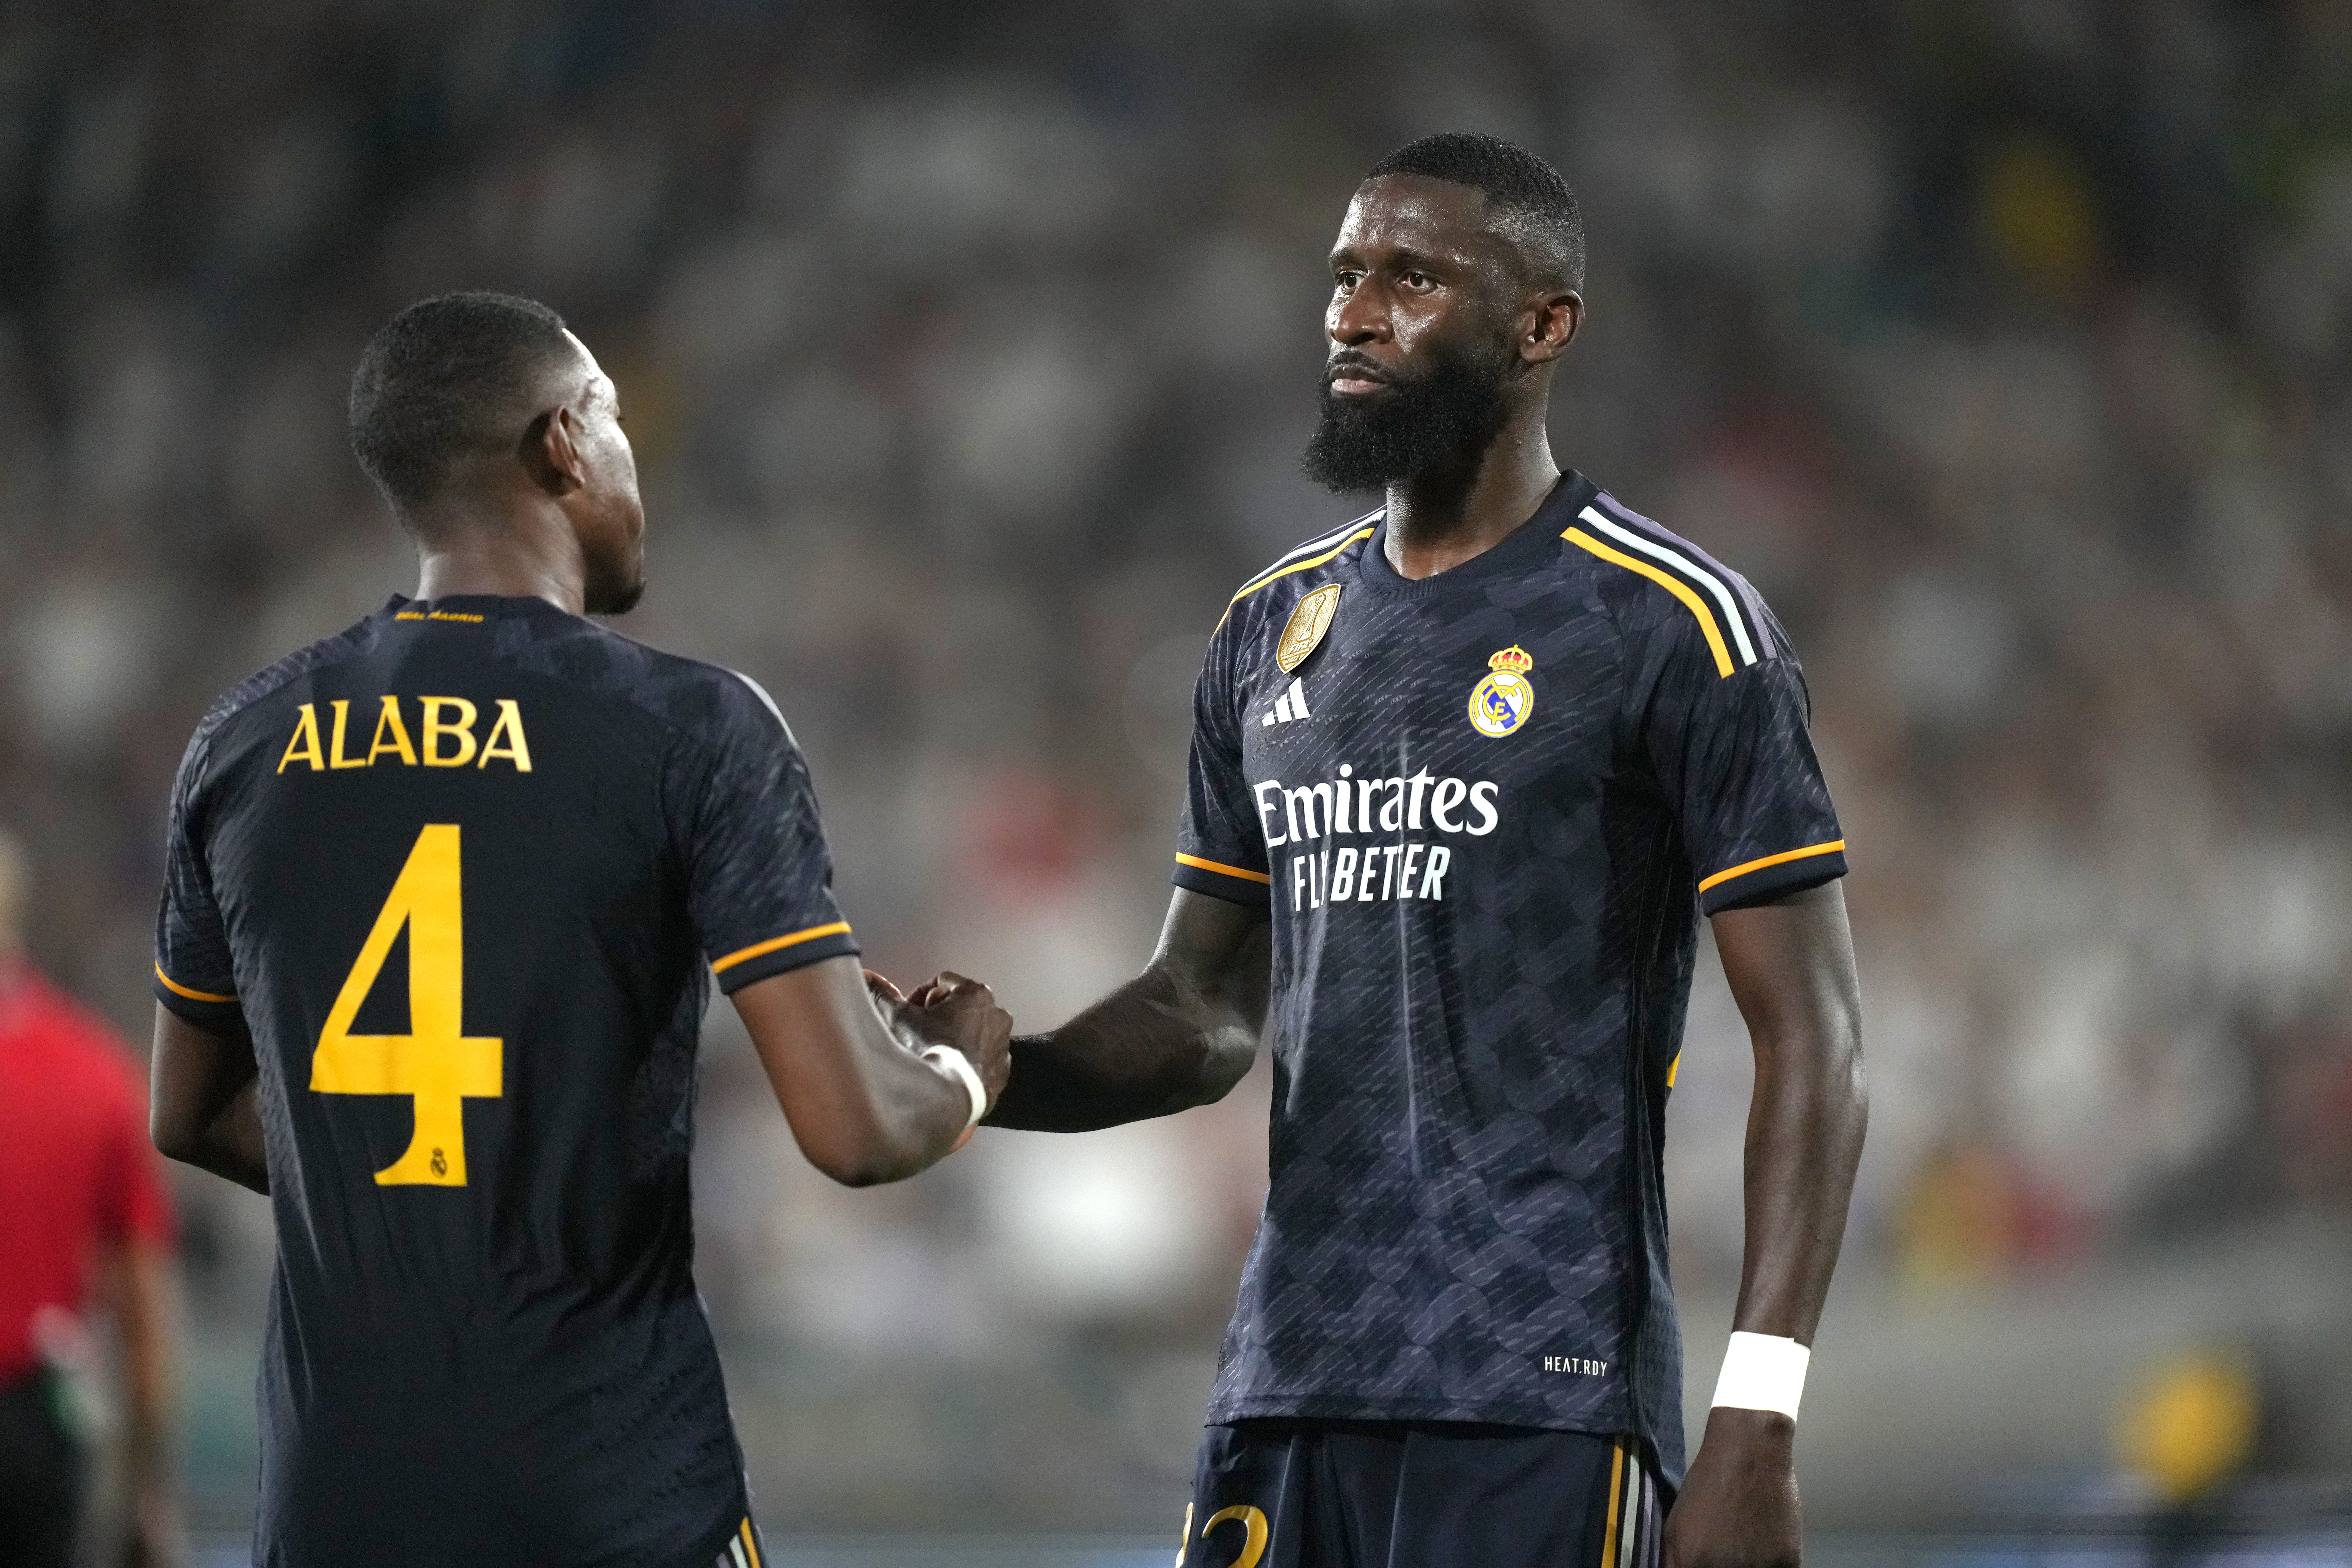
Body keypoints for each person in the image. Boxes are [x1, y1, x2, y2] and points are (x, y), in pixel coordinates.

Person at [985, 134, 1867, 1567]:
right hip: (1287, 1385)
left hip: (1540, 1395)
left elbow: (1815, 1037)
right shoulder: (1264, 630)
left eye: (1412, 276)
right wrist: (981, 1080)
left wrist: (1757, 1422)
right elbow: (1203, 1012)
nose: (1354, 310)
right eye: (1343, 276)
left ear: (1543, 325)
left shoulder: (1674, 624)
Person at [148, 292, 1010, 1567]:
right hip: (616, 1498)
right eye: (617, 424)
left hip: (336, 1507)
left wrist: (413, 1163)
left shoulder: (246, 739)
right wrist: (963, 1069)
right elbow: (858, 1131)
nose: (631, 473)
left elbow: (186, 1112)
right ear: (562, 443)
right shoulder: (692, 729)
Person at [0, 830, 179, 1567]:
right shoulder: (92, 1072)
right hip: (34, 1433)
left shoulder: (95, 1074)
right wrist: (147, 1495)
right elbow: (141, 1318)